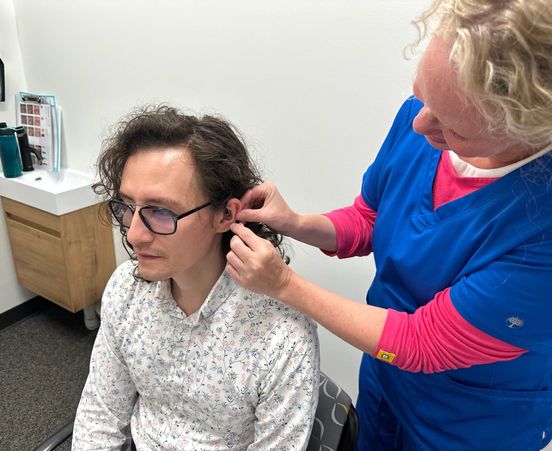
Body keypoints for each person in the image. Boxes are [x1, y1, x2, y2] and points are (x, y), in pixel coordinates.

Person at [226, 1, 552, 449]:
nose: (420, 124)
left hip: (471, 423)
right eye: (423, 95)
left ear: (528, 128)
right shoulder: (426, 118)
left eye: (453, 127)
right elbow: (369, 218)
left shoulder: (540, 231)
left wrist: (284, 285)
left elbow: (423, 344)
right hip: (386, 378)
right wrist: (297, 222)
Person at [72, 106, 320, 450]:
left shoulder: (282, 334)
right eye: (128, 207)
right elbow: (100, 416)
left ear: (225, 214)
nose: (134, 236)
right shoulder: (125, 289)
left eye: (161, 212)